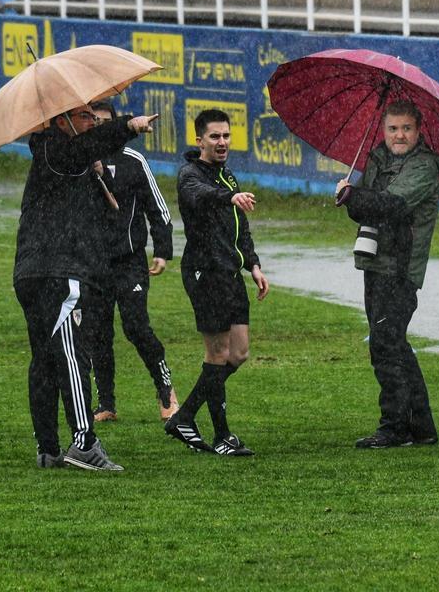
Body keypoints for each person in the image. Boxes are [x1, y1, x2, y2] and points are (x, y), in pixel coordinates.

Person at [13, 102, 158, 471]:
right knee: (72, 357)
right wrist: (129, 125)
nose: (92, 123)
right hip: (57, 270)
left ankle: (48, 448)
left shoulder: (62, 156)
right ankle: (84, 442)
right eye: (84, 117)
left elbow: (100, 208)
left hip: (33, 270)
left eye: (94, 117)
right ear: (62, 121)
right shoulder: (57, 148)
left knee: (44, 361)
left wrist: (96, 175)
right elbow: (85, 147)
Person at [336, 99, 439, 449]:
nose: (399, 135)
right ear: (383, 130)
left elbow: (391, 206)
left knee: (385, 344)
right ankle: (421, 426)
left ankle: (394, 426)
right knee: (393, 343)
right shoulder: (377, 159)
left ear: (418, 130)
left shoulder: (425, 167)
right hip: (374, 263)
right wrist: (351, 195)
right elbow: (362, 209)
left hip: (399, 269)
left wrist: (353, 196)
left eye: (406, 129)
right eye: (393, 129)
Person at [164, 108, 269, 456]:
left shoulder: (228, 177)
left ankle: (185, 415)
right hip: (205, 271)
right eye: (215, 136)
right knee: (217, 352)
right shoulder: (190, 175)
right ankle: (223, 436)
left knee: (238, 353)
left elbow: (241, 228)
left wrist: (252, 264)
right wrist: (229, 197)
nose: (222, 142)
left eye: (226, 136)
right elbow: (201, 195)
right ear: (199, 140)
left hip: (229, 271)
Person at [84, 99, 178, 423]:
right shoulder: (78, 163)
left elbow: (158, 208)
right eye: (92, 121)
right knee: (98, 332)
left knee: (136, 326)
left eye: (104, 121)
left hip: (130, 262)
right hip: (93, 264)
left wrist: (162, 250)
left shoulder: (134, 161)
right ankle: (105, 403)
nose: (98, 126)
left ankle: (166, 390)